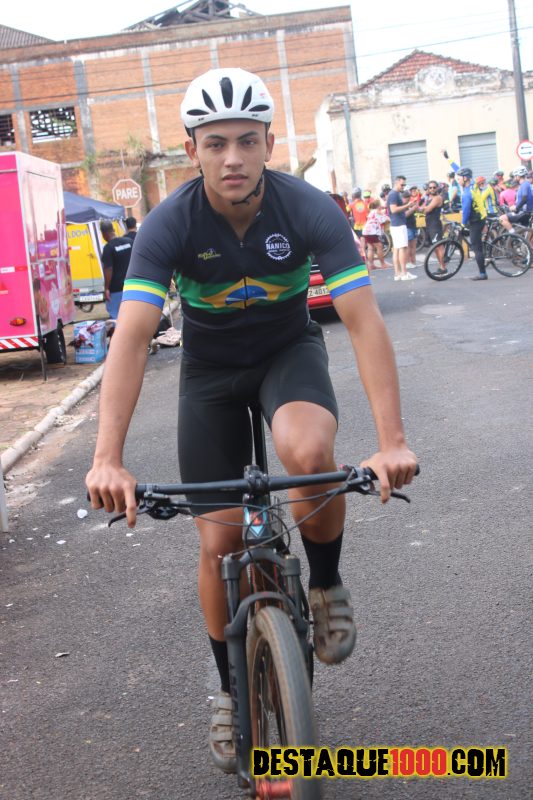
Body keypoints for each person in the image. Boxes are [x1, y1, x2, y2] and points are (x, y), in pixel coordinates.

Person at [85, 68, 417, 774]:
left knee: (308, 451)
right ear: (192, 151)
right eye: (215, 144)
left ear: (269, 143)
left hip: (285, 355)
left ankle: (324, 582)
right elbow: (133, 339)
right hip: (209, 374)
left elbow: (363, 321)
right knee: (219, 540)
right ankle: (231, 690)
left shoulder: (308, 209)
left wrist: (392, 442)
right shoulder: (169, 225)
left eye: (246, 141)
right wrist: (106, 458)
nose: (231, 157)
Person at [456, 166, 488, 281]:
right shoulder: (473, 185)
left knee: (476, 248)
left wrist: (462, 224)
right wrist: (448, 159)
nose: (458, 180)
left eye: (459, 178)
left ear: (465, 178)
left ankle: (482, 274)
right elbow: (458, 168)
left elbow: (466, 211)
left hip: (476, 221)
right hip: (481, 217)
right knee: (476, 243)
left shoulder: (466, 193)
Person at [386, 176, 418, 281]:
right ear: (396, 183)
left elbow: (394, 208)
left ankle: (398, 273)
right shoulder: (394, 194)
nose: (403, 187)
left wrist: (406, 205)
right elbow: (394, 209)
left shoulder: (393, 194)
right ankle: (404, 273)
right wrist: (408, 205)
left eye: (404, 184)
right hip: (398, 224)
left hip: (396, 224)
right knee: (402, 249)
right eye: (402, 184)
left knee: (396, 249)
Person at [100, 220, 133, 321]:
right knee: (132, 314)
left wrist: (106, 288)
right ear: (113, 230)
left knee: (116, 318)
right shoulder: (129, 242)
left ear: (104, 233)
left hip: (117, 289)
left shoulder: (108, 248)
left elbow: (108, 269)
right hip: (132, 285)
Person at [419, 179, 445, 273]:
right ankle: (441, 266)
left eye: (434, 187)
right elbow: (421, 206)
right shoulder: (428, 198)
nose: (432, 189)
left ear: (437, 188)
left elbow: (427, 209)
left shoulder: (437, 198)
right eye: (430, 188)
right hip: (429, 224)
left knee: (438, 246)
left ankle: (443, 267)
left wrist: (421, 208)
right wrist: (423, 198)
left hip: (435, 225)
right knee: (435, 247)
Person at [499, 167, 533, 233]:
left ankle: (513, 234)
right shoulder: (526, 184)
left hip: (523, 212)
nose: (514, 178)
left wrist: (517, 208)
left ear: (518, 176)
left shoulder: (524, 184)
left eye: (515, 176)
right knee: (526, 231)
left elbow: (525, 198)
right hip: (526, 212)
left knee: (501, 219)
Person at [361, 199, 390, 269]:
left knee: (371, 247)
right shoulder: (378, 212)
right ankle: (383, 264)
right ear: (379, 206)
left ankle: (371, 265)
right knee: (379, 246)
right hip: (372, 232)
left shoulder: (372, 211)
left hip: (366, 231)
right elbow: (387, 219)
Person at [403, 190, 418, 269]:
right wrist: (413, 208)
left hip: (413, 226)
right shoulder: (402, 206)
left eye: (409, 197)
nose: (408, 198)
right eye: (406, 197)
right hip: (407, 226)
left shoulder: (410, 204)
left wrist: (416, 206)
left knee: (413, 245)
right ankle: (408, 262)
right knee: (408, 246)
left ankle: (413, 261)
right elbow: (405, 215)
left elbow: (418, 210)